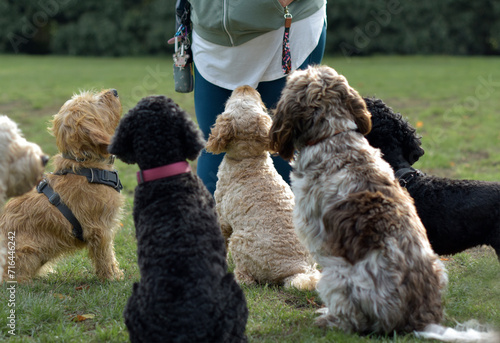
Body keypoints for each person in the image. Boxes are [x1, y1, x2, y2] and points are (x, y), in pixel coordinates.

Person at [187, 0, 327, 195]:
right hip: (211, 39)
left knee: (283, 141)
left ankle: (290, 222)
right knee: (215, 142)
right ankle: (211, 224)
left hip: (284, 32)